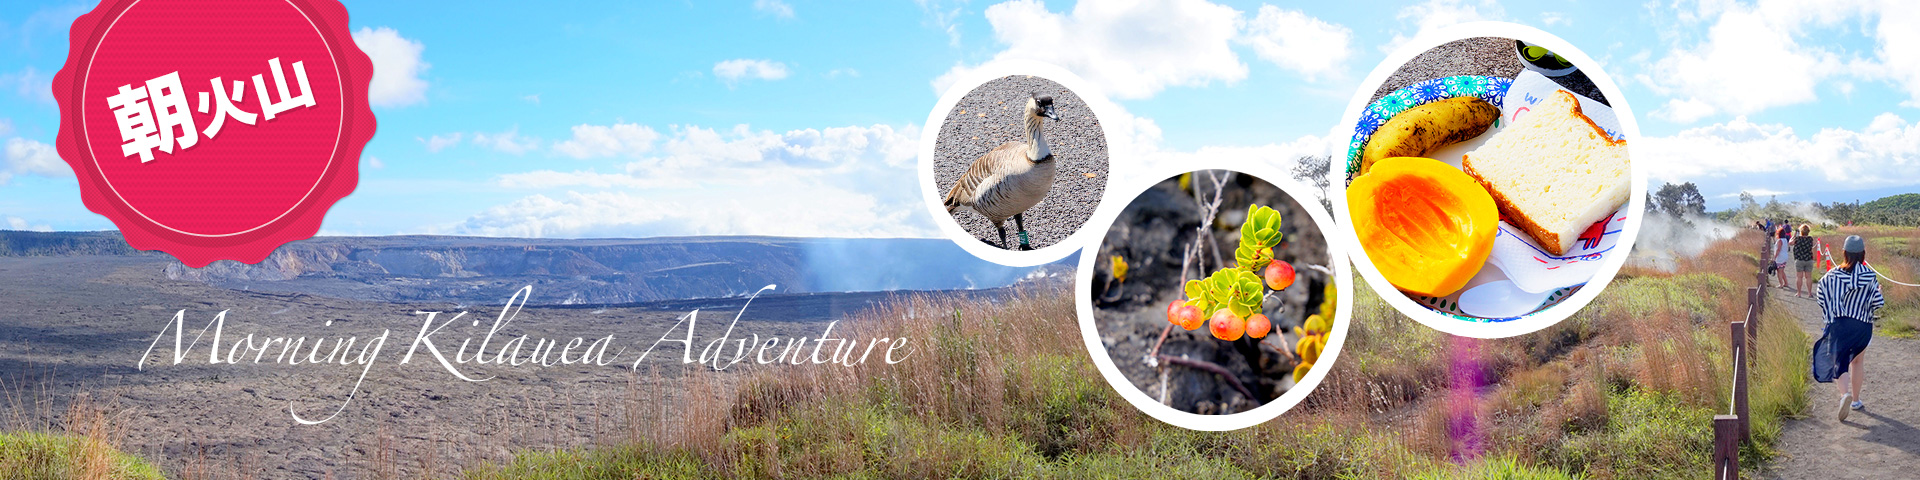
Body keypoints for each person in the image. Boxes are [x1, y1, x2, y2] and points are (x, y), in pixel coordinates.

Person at [1818, 235, 1885, 421]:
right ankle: (1855, 400)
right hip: (1862, 326)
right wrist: (1878, 291)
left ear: (1844, 253)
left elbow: (1821, 296)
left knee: (1840, 360)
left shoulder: (1831, 275)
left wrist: (1830, 314)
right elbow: (1877, 302)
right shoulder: (1869, 276)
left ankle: (1844, 394)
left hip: (1839, 324)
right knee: (1857, 362)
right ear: (1863, 254)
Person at [1793, 224, 1816, 298]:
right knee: (1808, 277)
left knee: (1799, 277)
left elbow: (1790, 242)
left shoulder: (1797, 239)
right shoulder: (1810, 239)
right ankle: (1809, 293)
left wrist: (1794, 235)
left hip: (1799, 259)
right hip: (1808, 259)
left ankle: (1799, 293)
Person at [1774, 224, 1792, 289]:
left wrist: (1774, 257)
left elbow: (1778, 250)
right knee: (1782, 270)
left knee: (1779, 271)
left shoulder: (1780, 241)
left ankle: (1781, 284)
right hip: (1785, 256)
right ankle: (1786, 283)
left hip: (1780, 257)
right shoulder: (1785, 240)